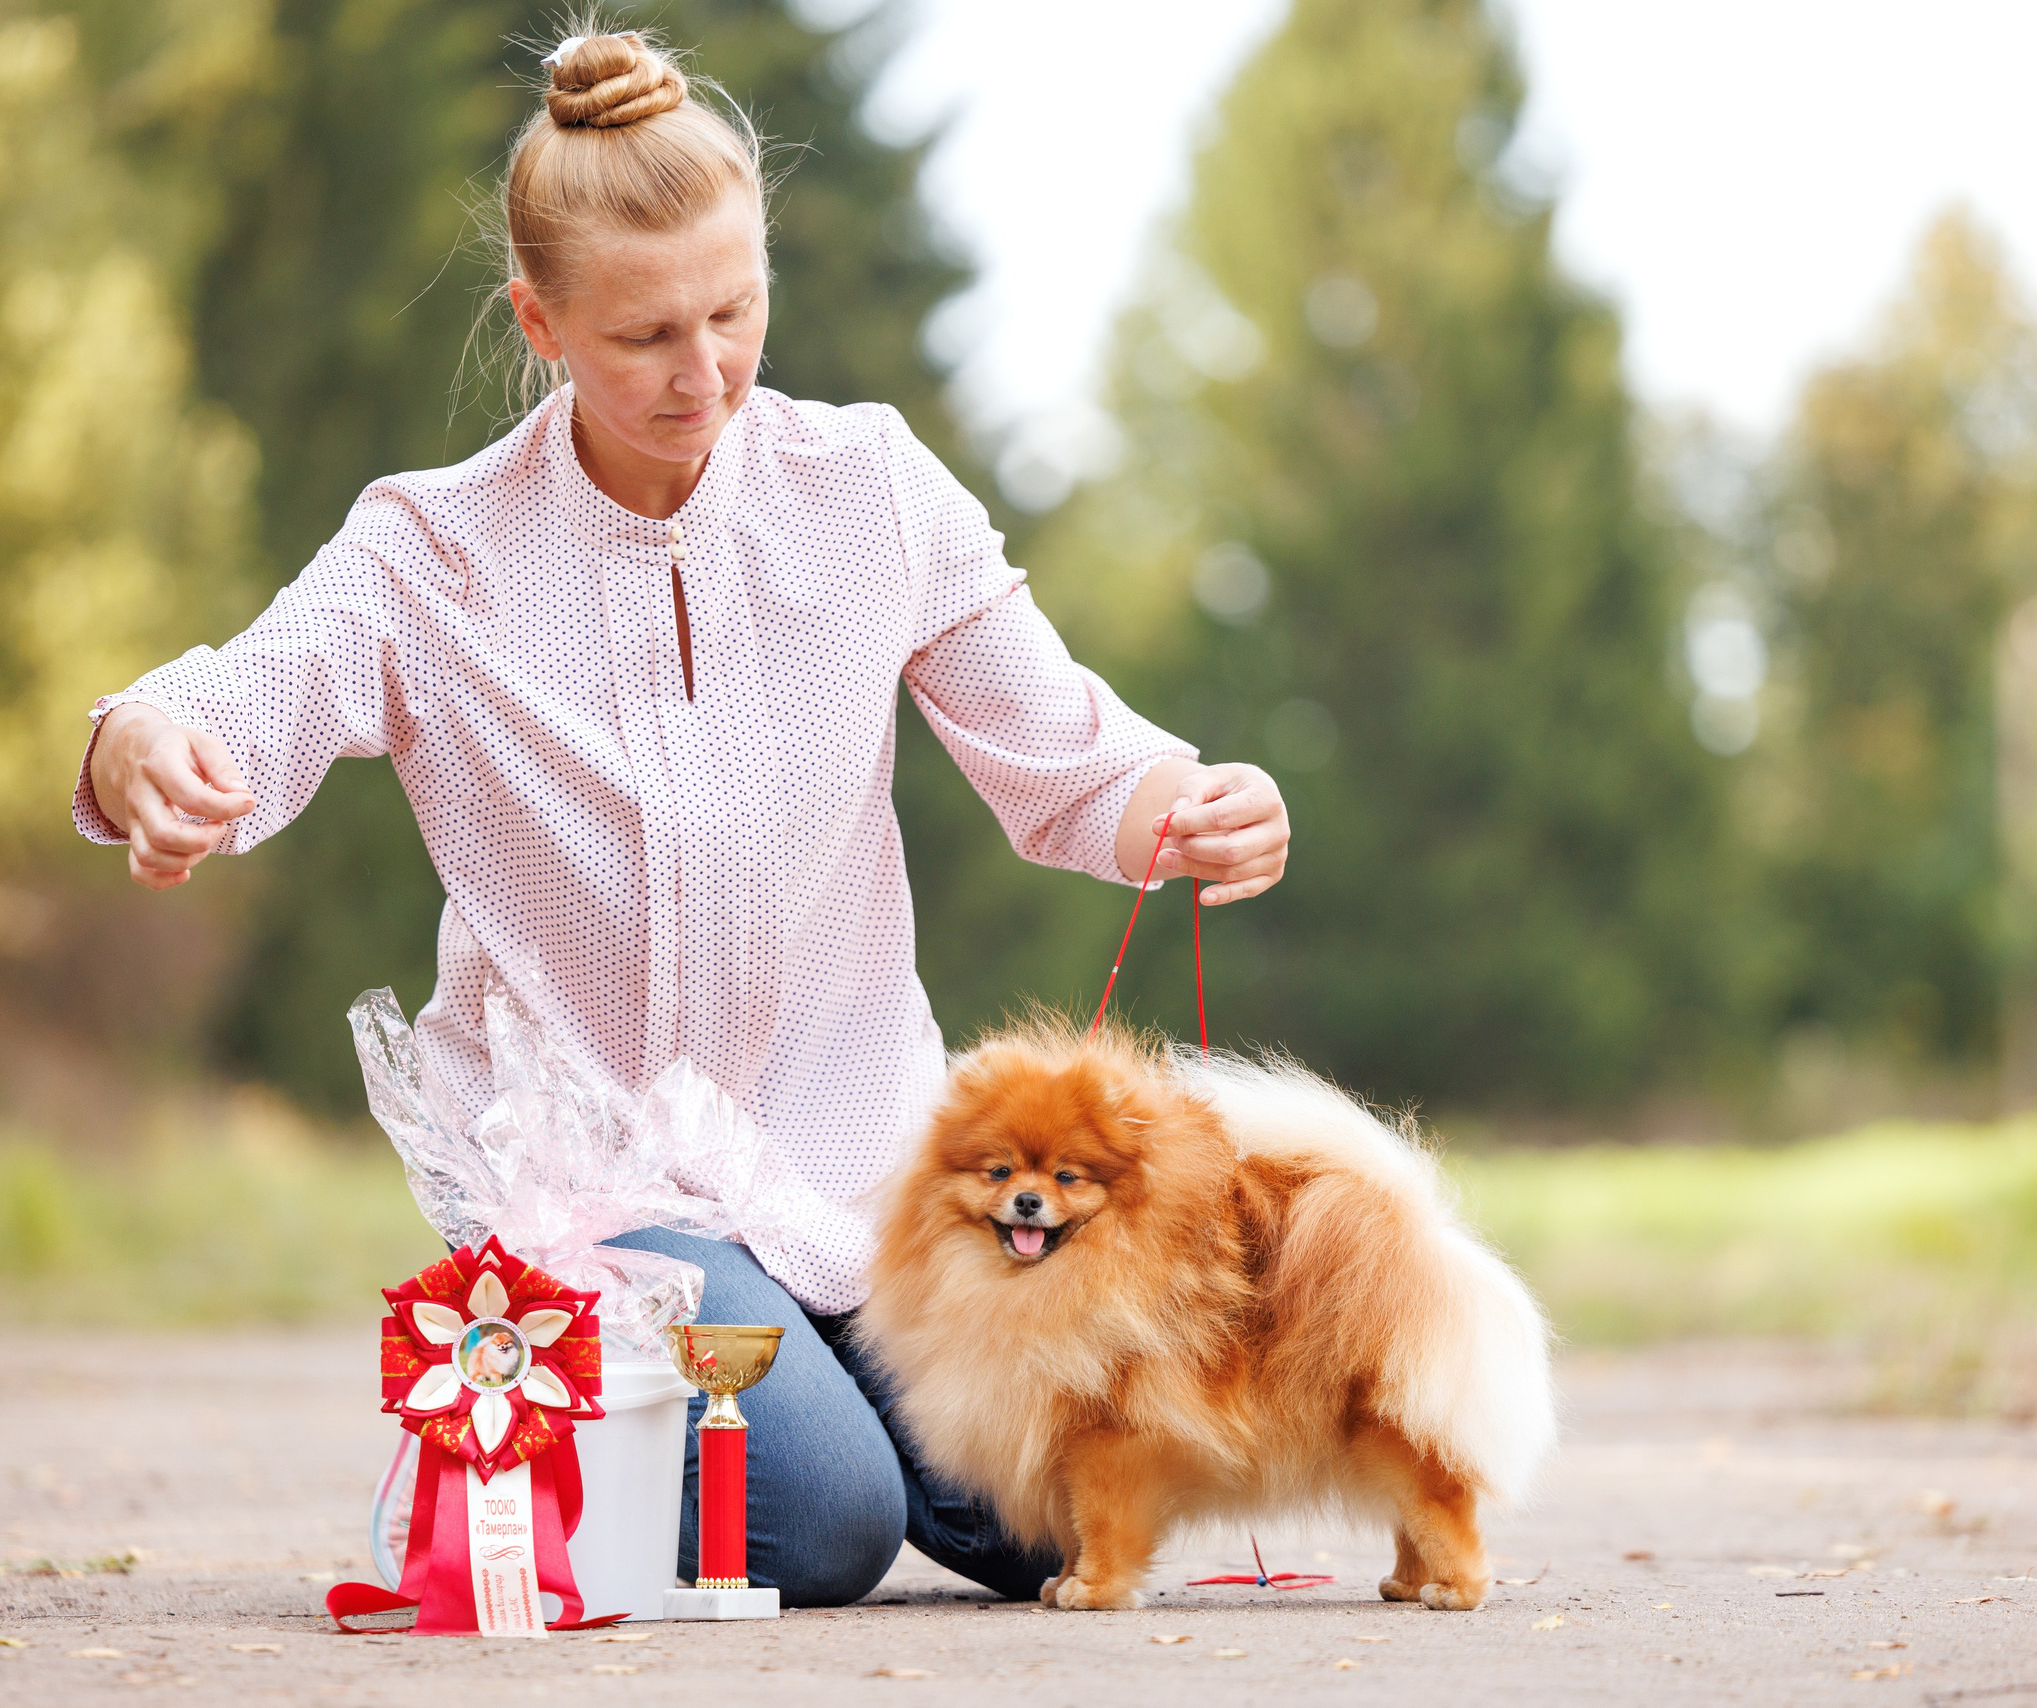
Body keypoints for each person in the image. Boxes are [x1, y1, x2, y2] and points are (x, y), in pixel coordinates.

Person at [75, 29, 1292, 1606]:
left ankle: (804, 1394)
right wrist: (142, 750)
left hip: (860, 1157)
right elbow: (234, 701)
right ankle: (557, 1412)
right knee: (830, 1522)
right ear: (541, 323)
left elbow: (1064, 753)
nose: (706, 371)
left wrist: (1186, 803)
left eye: (736, 311)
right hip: (604, 1184)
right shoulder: (430, 556)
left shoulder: (870, 491)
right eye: (647, 333)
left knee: (1057, 1512)